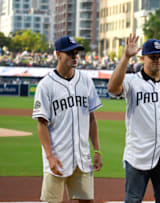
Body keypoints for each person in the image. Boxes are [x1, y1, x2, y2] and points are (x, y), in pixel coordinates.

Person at [107, 34, 160, 203]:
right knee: (133, 200)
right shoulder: (132, 82)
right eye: (153, 57)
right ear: (143, 58)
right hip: (138, 156)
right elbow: (113, 88)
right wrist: (125, 57)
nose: (157, 60)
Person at [32, 36, 103, 203]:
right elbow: (42, 123)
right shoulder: (46, 85)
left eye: (76, 52)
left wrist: (97, 150)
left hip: (82, 156)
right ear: (58, 54)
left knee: (87, 201)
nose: (74, 56)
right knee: (52, 201)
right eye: (70, 53)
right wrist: (49, 156)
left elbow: (92, 118)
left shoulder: (85, 80)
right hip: (58, 157)